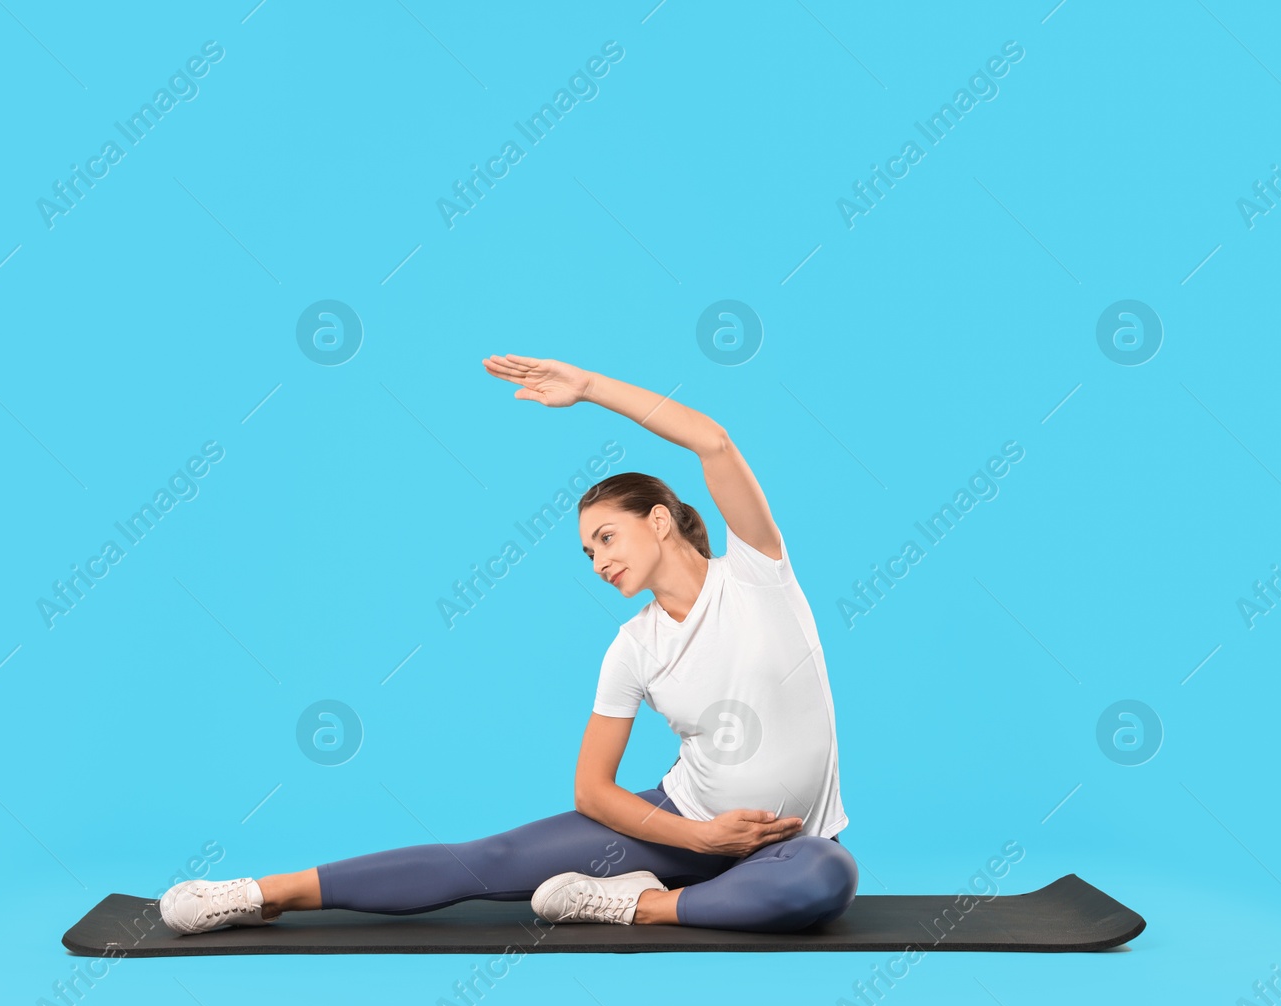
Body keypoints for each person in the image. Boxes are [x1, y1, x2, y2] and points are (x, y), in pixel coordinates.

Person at [160, 354, 856, 935]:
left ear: (661, 520)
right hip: (682, 823)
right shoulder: (632, 647)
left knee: (827, 878)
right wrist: (699, 837)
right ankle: (257, 893)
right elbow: (592, 790)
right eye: (586, 552)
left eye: (606, 537)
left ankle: (634, 904)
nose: (597, 562)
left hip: (788, 847)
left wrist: (588, 387)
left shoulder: (759, 575)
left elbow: (713, 442)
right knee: (487, 858)